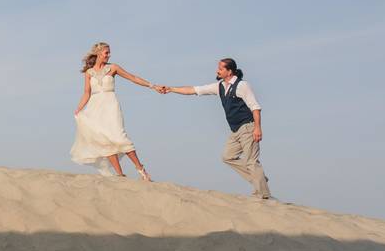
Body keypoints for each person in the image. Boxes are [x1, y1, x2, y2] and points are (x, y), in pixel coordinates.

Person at [157, 58, 272, 199]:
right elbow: (194, 90)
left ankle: (263, 194)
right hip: (235, 130)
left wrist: (257, 128)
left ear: (229, 71)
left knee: (251, 162)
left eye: (221, 68)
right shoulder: (220, 86)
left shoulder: (242, 86)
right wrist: (170, 89)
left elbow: (255, 107)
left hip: (248, 127)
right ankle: (259, 180)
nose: (217, 71)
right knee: (227, 157)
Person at [70, 41, 160, 180]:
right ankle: (120, 175)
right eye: (106, 53)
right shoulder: (89, 73)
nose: (109, 55)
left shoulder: (113, 68)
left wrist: (152, 85)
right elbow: (86, 93)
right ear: (99, 54)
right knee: (105, 140)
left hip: (111, 105)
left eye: (109, 53)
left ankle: (140, 169)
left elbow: (133, 77)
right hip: (95, 108)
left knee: (119, 136)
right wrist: (79, 108)